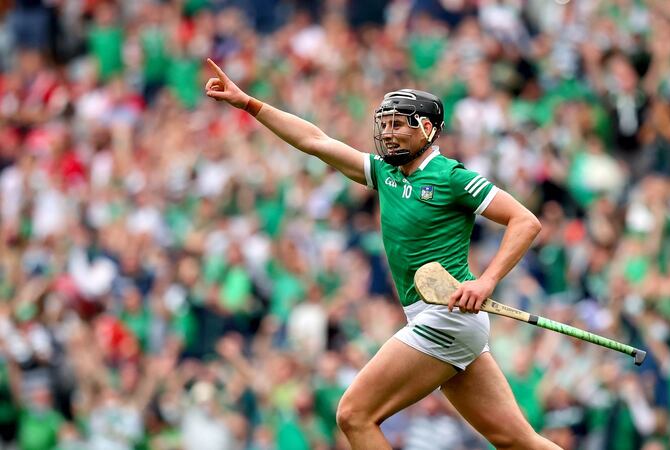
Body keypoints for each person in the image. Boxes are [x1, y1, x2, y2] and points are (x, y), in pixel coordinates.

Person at [204, 58, 561, 450]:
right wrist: (249, 103)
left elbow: (525, 221)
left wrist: (486, 281)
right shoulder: (385, 174)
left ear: (427, 129)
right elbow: (315, 141)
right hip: (444, 320)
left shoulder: (451, 177)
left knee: (354, 414)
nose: (388, 134)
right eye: (384, 125)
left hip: (446, 316)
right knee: (517, 441)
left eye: (398, 125)